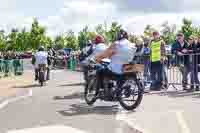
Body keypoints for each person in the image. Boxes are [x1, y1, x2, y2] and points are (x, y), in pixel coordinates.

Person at [95, 29, 137, 99]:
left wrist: (97, 58)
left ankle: (100, 92)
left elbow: (105, 54)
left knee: (100, 71)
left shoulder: (116, 44)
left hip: (116, 70)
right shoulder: (132, 45)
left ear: (118, 36)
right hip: (127, 69)